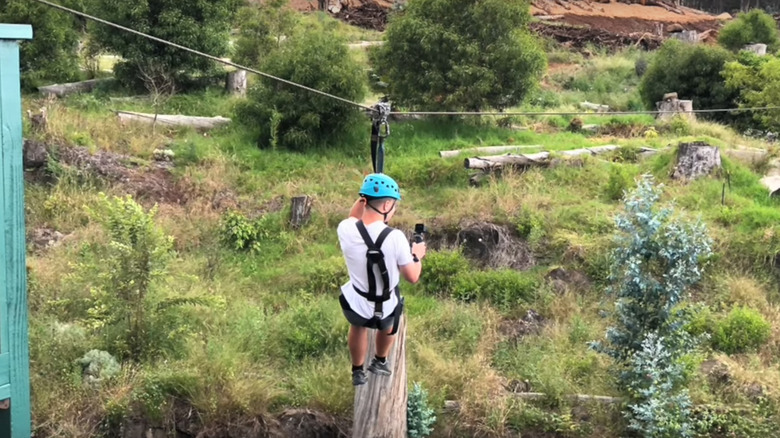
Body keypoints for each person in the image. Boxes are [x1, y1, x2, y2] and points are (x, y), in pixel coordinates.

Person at [337, 173, 426, 386]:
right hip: (385, 306)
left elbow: (354, 215)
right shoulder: (395, 237)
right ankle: (380, 359)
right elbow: (412, 276)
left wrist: (365, 193)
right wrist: (417, 255)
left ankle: (357, 370)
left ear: (364, 200)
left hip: (356, 304)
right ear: (386, 205)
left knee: (357, 326)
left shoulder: (345, 229)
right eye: (394, 205)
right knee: (390, 322)